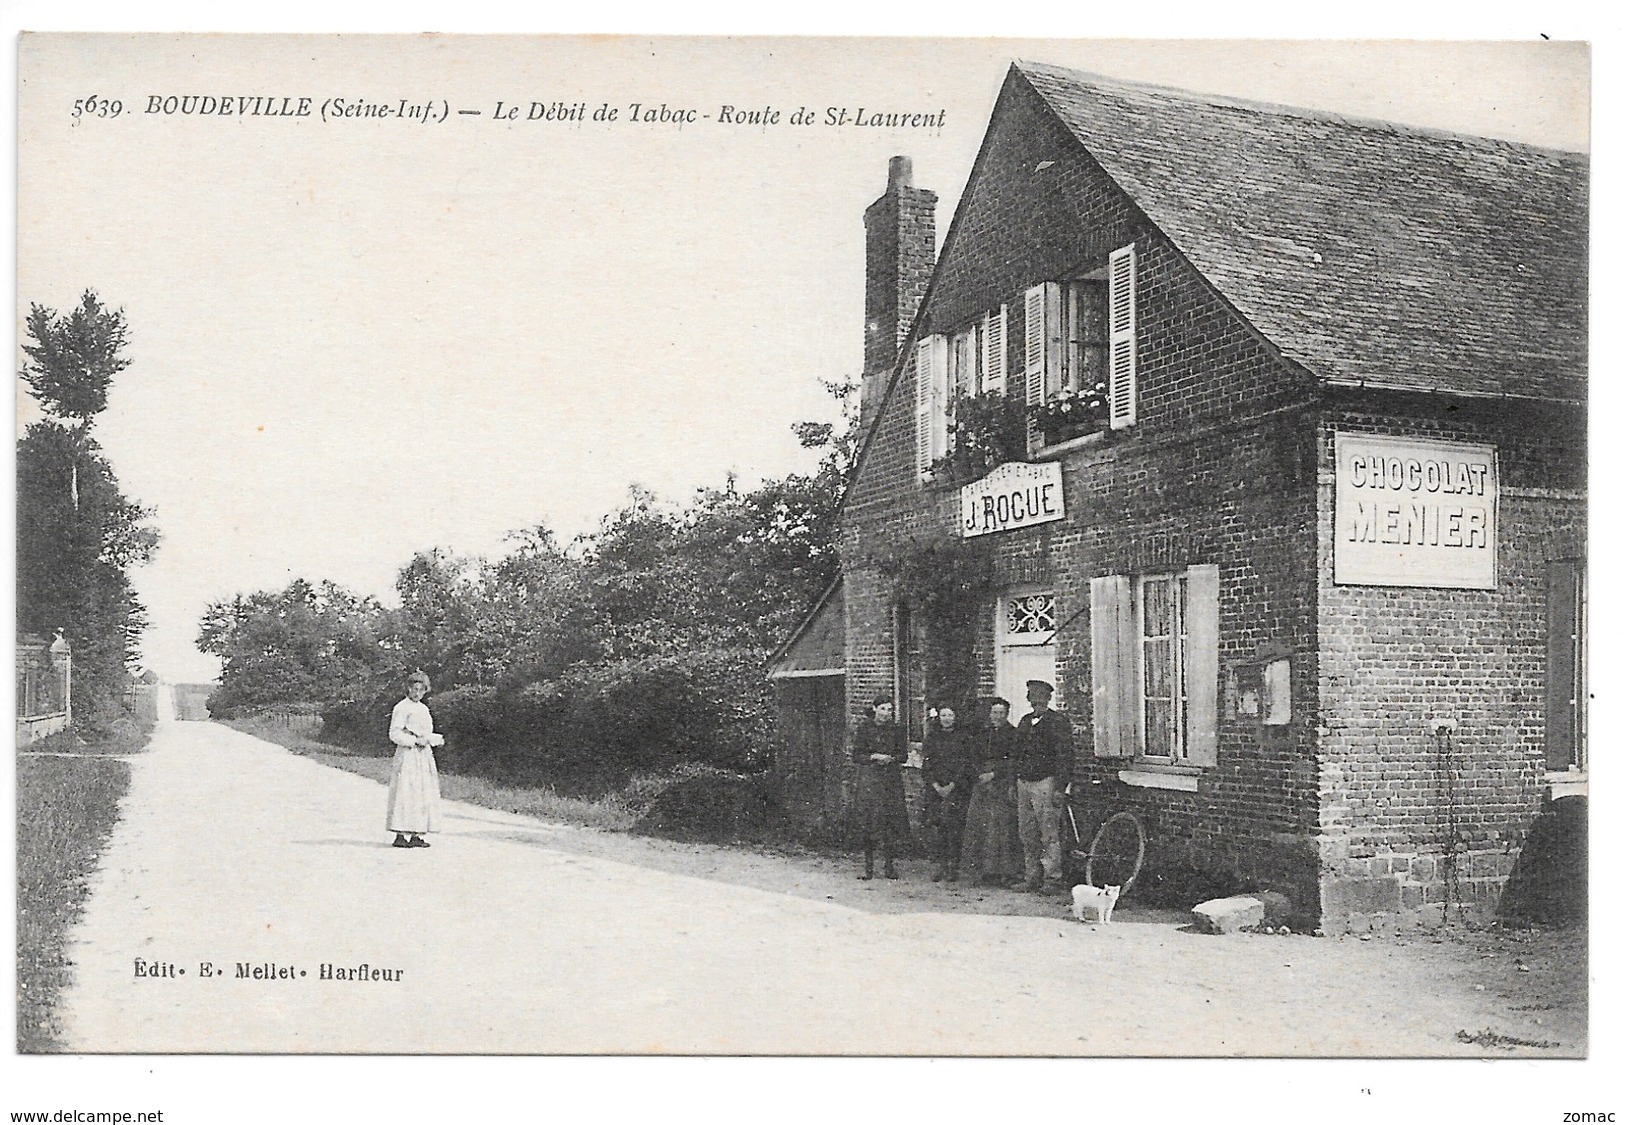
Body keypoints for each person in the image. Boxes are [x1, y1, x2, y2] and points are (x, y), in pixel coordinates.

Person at [1011, 680, 1073, 893]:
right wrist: (1015, 781)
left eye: (1040, 697)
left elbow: (1065, 757)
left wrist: (1060, 788)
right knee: (1027, 832)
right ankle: (1032, 876)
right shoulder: (1025, 721)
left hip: (1046, 783)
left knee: (1049, 833)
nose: (1035, 701)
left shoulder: (1058, 722)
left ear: (1048, 698)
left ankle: (1052, 878)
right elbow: (1016, 754)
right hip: (1024, 783)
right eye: (1032, 696)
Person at [959, 698, 1023, 885]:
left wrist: (995, 773)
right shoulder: (983, 733)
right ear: (990, 714)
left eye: (1001, 713)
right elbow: (972, 757)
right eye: (995, 712)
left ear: (1007, 714)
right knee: (979, 825)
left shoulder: (1013, 734)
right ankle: (983, 871)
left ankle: (1004, 872)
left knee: (1001, 827)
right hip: (981, 782)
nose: (997, 716)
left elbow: (1013, 760)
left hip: (1001, 783)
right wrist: (979, 773)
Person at [851, 695, 908, 880]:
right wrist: (873, 756)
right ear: (875, 709)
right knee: (869, 821)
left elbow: (903, 755)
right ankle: (868, 866)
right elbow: (857, 755)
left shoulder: (897, 729)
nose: (886, 713)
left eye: (889, 710)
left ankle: (889, 866)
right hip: (870, 780)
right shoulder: (865, 729)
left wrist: (891, 758)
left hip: (890, 780)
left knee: (889, 822)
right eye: (883, 709)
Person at [387, 669, 444, 849]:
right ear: (408, 688)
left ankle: (417, 834)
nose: (417, 693)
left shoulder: (423, 709)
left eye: (421, 690)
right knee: (406, 791)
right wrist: (413, 741)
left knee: (422, 792)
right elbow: (394, 733)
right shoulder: (401, 707)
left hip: (423, 756)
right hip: (408, 755)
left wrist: (432, 740)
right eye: (414, 689)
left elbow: (426, 732)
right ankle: (400, 834)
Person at [922, 705, 975, 882]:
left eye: (950, 715)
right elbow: (927, 764)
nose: (946, 718)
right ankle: (941, 865)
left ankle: (953, 866)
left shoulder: (964, 738)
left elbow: (966, 764)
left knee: (954, 827)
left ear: (956, 717)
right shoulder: (932, 737)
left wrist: (953, 785)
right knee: (938, 827)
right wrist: (936, 785)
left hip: (957, 789)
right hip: (936, 789)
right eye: (943, 715)